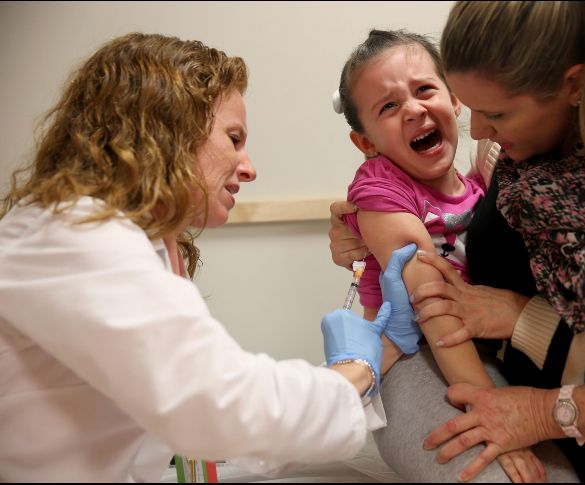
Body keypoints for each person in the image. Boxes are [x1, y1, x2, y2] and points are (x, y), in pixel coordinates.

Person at [329, 1, 585, 482]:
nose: (481, 130)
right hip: (509, 388)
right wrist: (370, 231)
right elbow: (455, 233)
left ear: (573, 86)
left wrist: (520, 323)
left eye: (495, 113)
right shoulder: (507, 149)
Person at [0, 32, 421, 482]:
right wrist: (355, 369)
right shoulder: (74, 236)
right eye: (234, 138)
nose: (249, 167)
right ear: (168, 128)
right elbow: (217, 406)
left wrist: (377, 355)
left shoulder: (138, 242)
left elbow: (212, 419)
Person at [333, 28, 579, 483]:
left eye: (425, 89)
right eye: (388, 107)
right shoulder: (380, 190)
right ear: (365, 143)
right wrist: (491, 410)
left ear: (456, 98)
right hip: (418, 353)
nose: (413, 109)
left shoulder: (482, 182)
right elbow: (435, 307)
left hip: (491, 352)